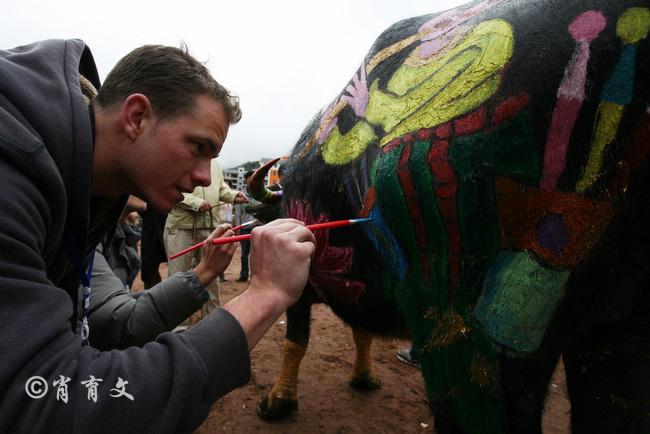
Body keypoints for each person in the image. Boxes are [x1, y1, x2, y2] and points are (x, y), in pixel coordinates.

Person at [0, 40, 315, 433]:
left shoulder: (78, 187)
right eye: (198, 147)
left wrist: (199, 277)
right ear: (136, 117)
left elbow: (102, 323)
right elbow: (48, 401)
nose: (205, 176)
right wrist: (265, 295)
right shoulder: (13, 176)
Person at [164, 158, 248, 315]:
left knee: (212, 276)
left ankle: (212, 321)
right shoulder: (178, 153)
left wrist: (233, 195)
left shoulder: (214, 162)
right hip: (182, 227)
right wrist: (194, 202)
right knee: (178, 277)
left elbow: (221, 189)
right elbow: (167, 187)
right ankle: (178, 327)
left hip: (210, 227)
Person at [234, 170, 261, 282]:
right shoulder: (240, 195)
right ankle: (243, 274)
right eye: (249, 178)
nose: (251, 180)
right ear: (246, 180)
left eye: (253, 178)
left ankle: (255, 276)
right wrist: (237, 228)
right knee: (244, 254)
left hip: (258, 228)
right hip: (244, 229)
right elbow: (237, 214)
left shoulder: (260, 194)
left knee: (257, 254)